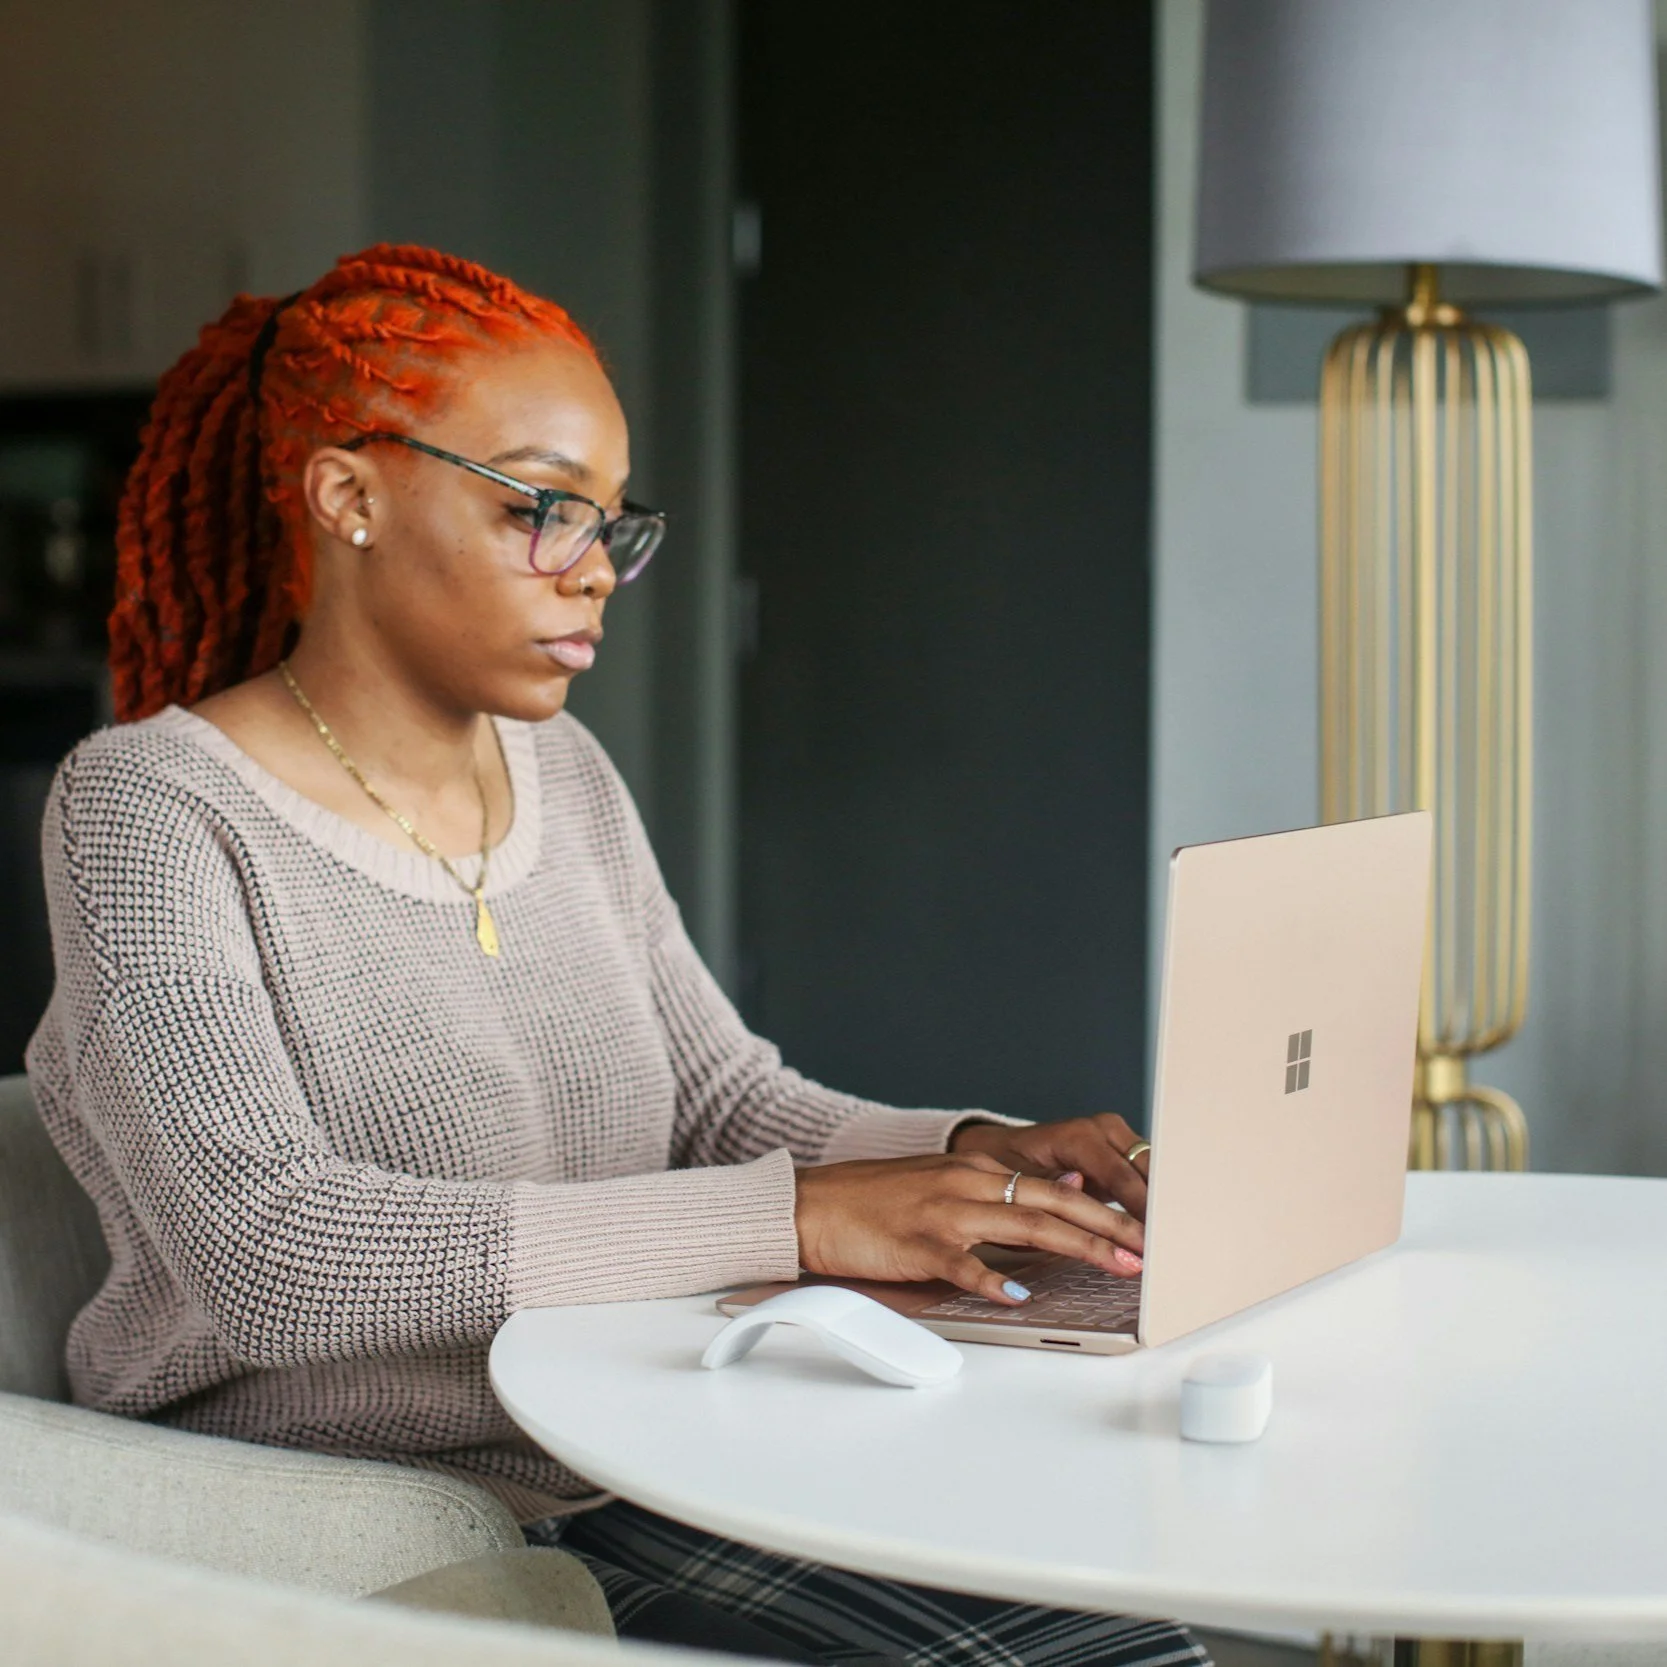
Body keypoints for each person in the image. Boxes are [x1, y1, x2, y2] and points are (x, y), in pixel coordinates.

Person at [27, 245, 1203, 1667]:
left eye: (609, 525)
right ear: (348, 496)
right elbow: (268, 1248)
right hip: (389, 1507)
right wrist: (797, 1220)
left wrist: (979, 1159)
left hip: (644, 1436)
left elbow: (722, 1098)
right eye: (540, 510)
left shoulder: (562, 772)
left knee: (1125, 1640)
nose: (595, 576)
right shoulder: (150, 804)